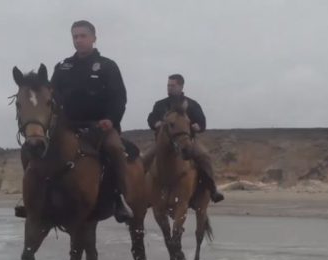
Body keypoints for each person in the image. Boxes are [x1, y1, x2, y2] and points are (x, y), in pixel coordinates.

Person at [50, 20, 134, 222]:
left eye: (83, 36)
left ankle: (120, 198)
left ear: (94, 38)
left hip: (100, 126)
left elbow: (119, 97)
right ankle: (33, 198)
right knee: (39, 147)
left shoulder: (107, 66)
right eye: (75, 36)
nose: (78, 40)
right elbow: (51, 96)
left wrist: (110, 120)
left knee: (114, 148)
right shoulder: (62, 67)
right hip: (69, 126)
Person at [145, 74, 224, 203]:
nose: (169, 88)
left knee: (204, 157)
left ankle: (212, 189)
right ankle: (141, 194)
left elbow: (202, 122)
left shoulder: (192, 104)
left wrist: (198, 126)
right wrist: (155, 123)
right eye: (168, 85)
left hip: (186, 141)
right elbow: (151, 118)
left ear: (181, 86)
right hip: (163, 144)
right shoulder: (160, 104)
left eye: (172, 85)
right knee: (143, 160)